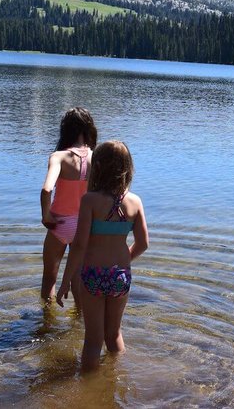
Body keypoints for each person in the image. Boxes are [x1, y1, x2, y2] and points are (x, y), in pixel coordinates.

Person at [57, 140, 149, 372]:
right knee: (114, 335)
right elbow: (143, 243)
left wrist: (66, 280)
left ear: (96, 168)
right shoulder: (135, 202)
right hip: (119, 276)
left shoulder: (90, 201)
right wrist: (124, 259)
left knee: (93, 339)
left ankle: (89, 389)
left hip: (93, 275)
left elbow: (78, 245)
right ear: (128, 168)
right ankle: (115, 379)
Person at [40, 107, 98, 304]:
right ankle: (79, 322)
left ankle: (47, 324)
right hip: (84, 226)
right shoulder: (97, 157)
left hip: (60, 224)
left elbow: (47, 190)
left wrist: (46, 217)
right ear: (89, 129)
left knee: (49, 279)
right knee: (78, 281)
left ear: (65, 130)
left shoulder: (58, 157)